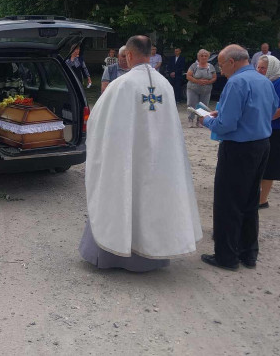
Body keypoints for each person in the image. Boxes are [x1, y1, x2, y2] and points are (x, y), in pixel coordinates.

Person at [80, 35, 202, 272]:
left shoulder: (122, 85)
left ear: (128, 55)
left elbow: (98, 122)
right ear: (149, 54)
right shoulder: (165, 85)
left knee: (122, 197)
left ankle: (113, 257)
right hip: (160, 162)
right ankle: (152, 256)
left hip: (127, 159)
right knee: (154, 202)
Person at [199, 45, 278, 271]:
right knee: (250, 201)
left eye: (221, 65)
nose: (221, 71)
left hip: (238, 148)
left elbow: (226, 125)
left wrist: (207, 120)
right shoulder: (264, 80)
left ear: (232, 62)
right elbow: (271, 109)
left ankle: (226, 256)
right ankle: (248, 253)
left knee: (228, 203)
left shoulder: (236, 82)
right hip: (261, 144)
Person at [256, 55, 280, 209]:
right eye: (258, 67)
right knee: (260, 164)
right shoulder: (263, 82)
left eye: (263, 68)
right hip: (263, 128)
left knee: (270, 166)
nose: (260, 70)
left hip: (277, 130)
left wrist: (261, 118)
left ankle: (262, 200)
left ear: (271, 68)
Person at [186, 49, 217, 127]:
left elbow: (214, 77)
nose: (204, 57)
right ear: (198, 57)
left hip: (206, 90)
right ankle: (190, 119)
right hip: (193, 89)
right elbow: (188, 76)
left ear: (208, 57)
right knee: (191, 104)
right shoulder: (194, 66)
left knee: (203, 105)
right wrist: (198, 81)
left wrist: (208, 82)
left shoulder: (211, 67)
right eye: (202, 56)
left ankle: (200, 121)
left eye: (205, 56)